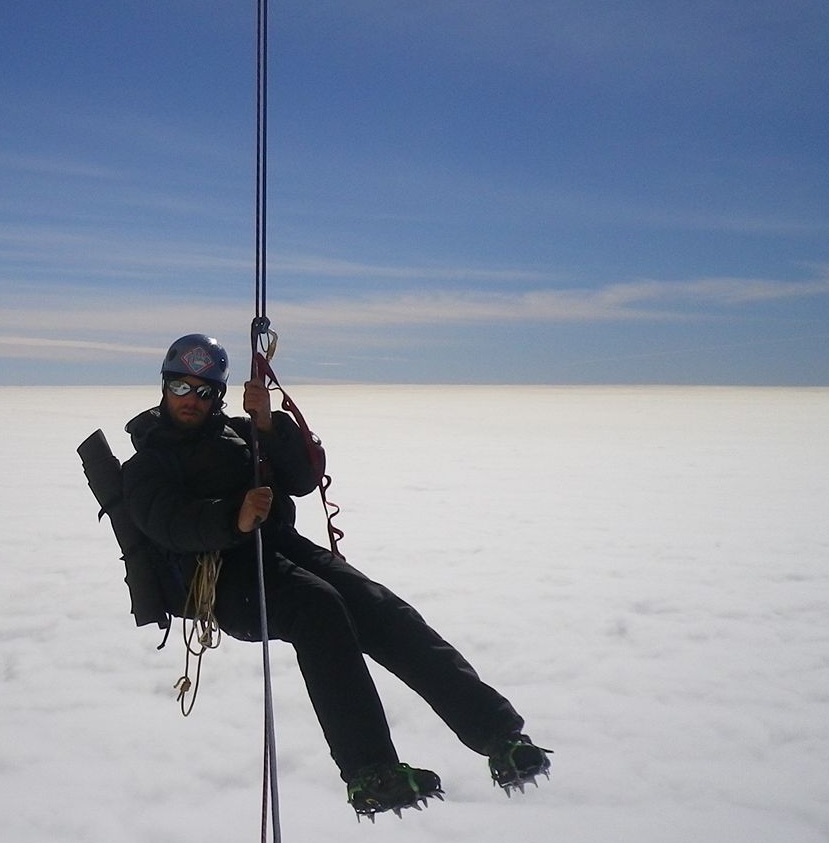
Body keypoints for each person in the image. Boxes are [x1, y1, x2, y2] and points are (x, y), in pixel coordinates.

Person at [121, 332, 550, 818]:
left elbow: (303, 479)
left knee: (379, 607)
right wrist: (232, 519)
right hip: (219, 577)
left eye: (203, 391)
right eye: (181, 387)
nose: (191, 400)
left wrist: (268, 423)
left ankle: (499, 736)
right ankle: (370, 772)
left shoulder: (242, 435)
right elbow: (167, 522)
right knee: (317, 607)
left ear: (217, 395)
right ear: (163, 387)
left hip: (279, 547)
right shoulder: (146, 463)